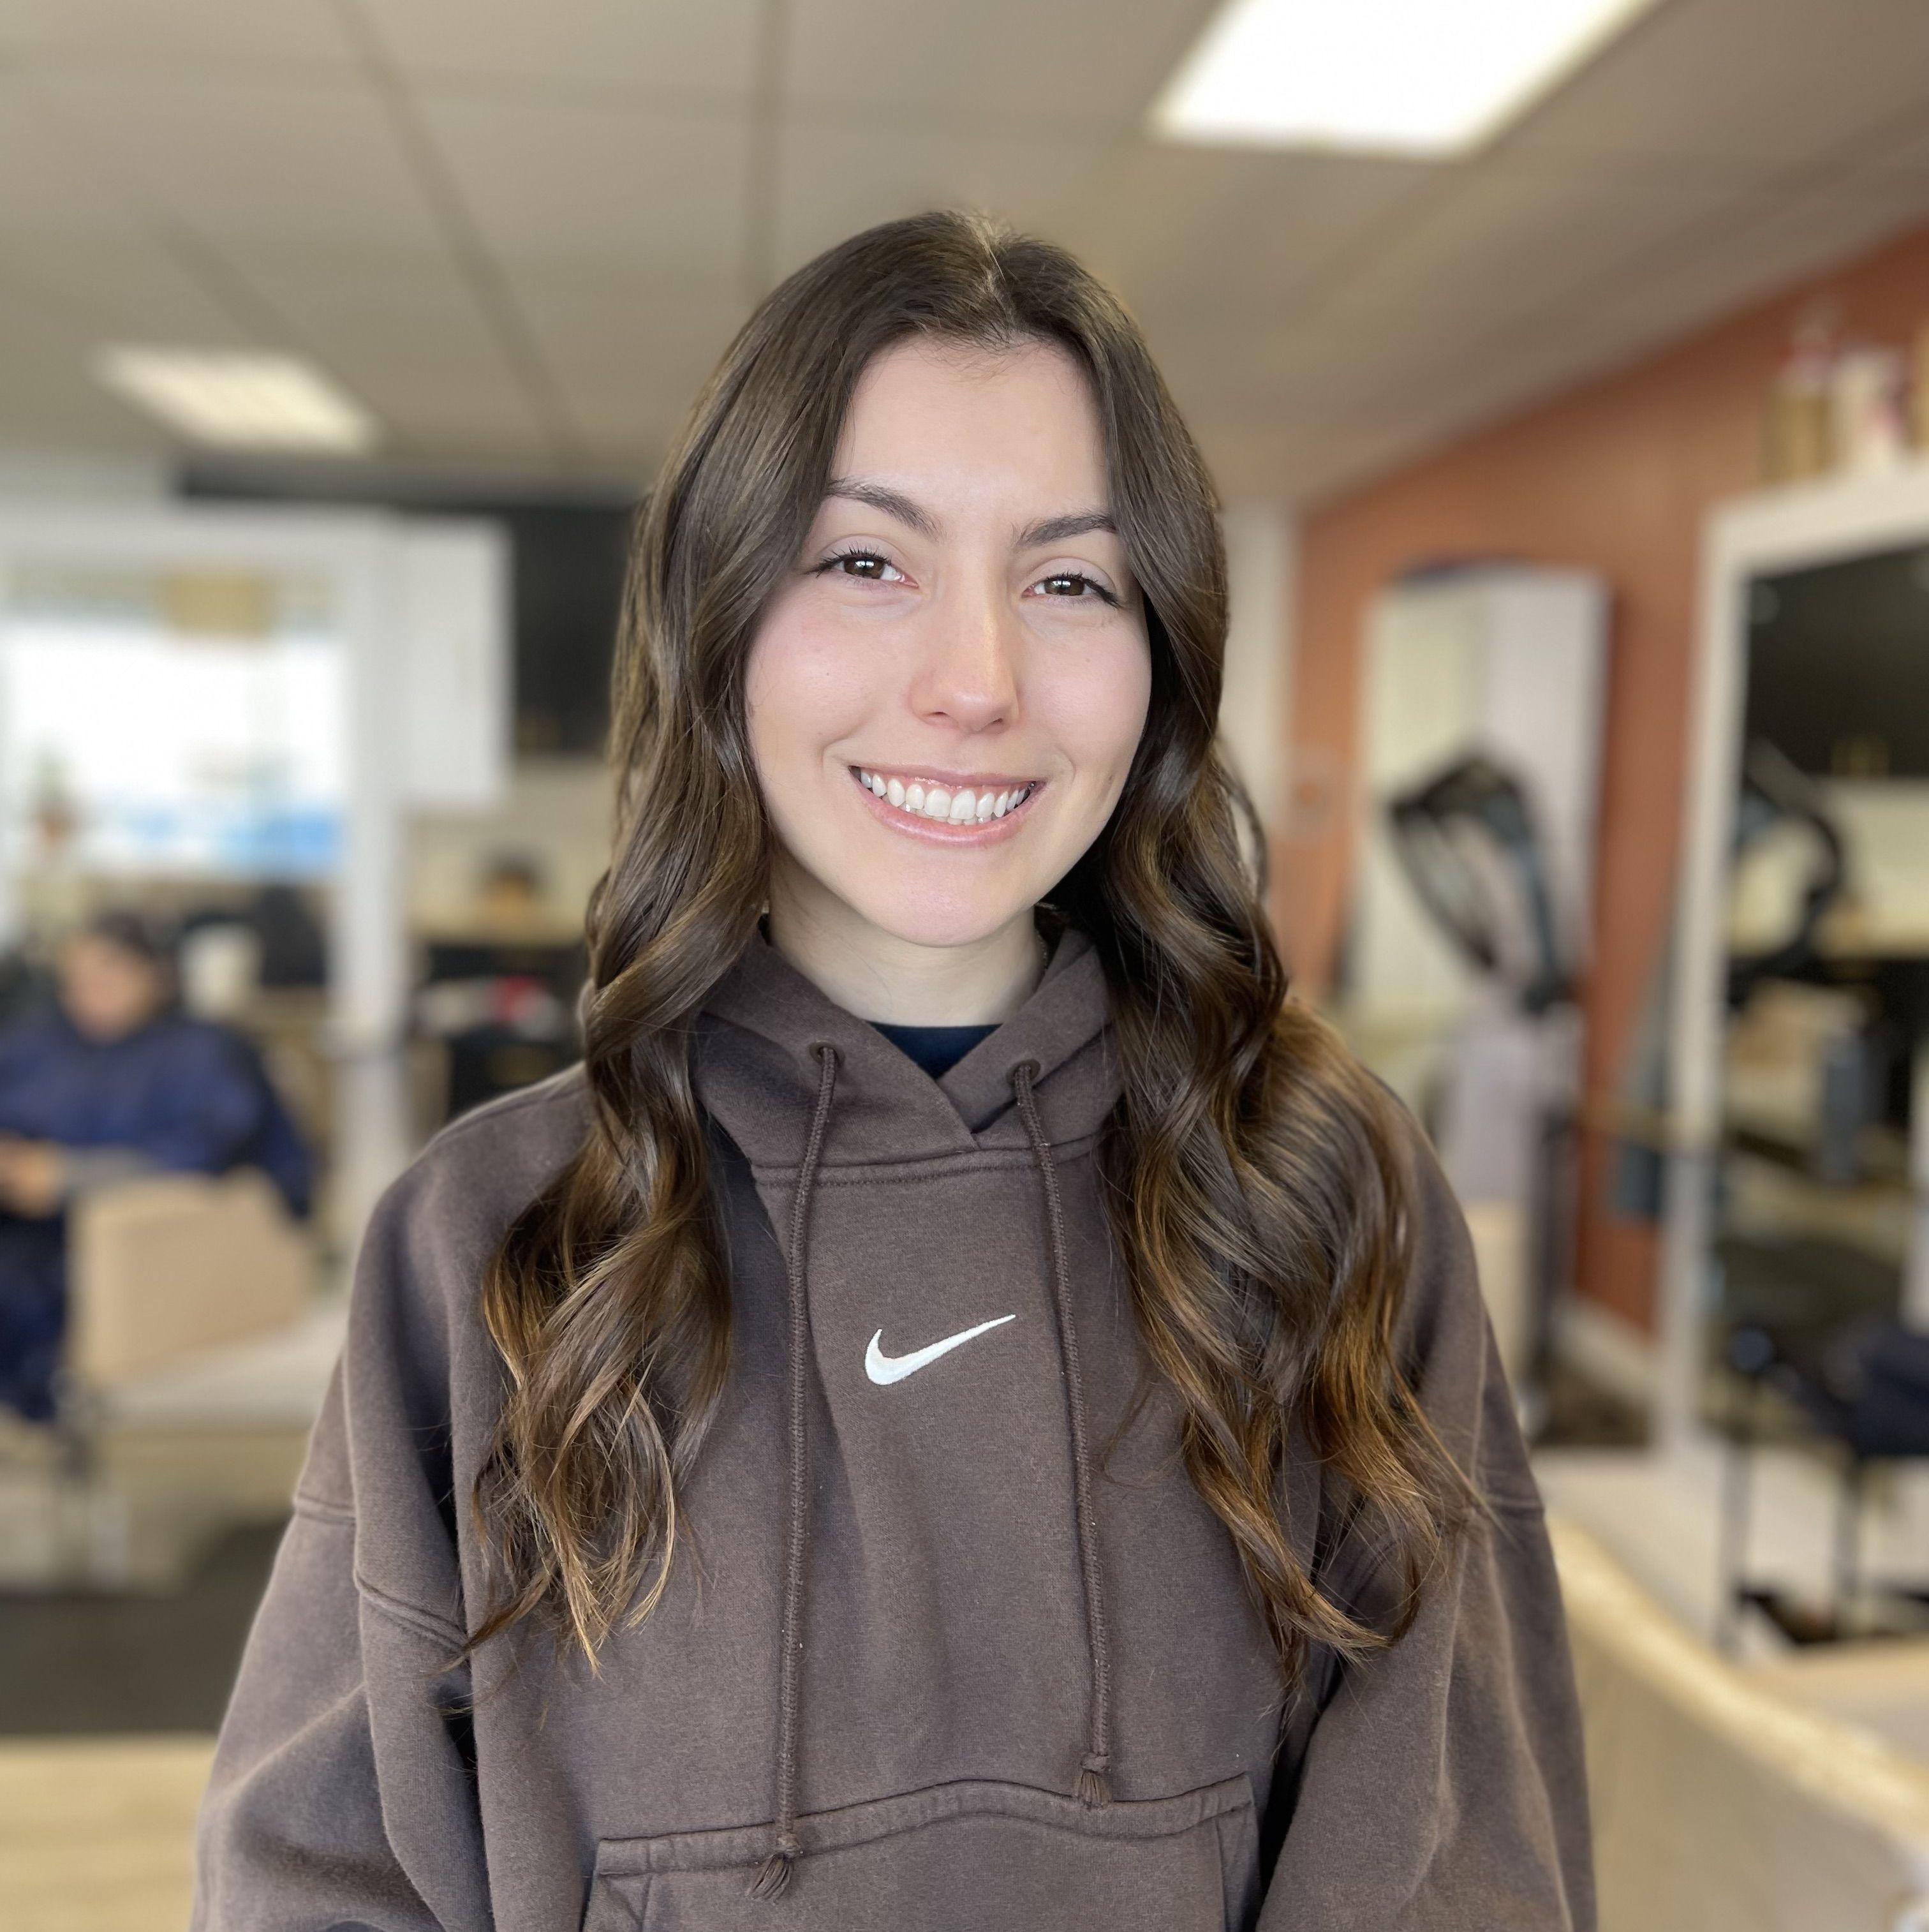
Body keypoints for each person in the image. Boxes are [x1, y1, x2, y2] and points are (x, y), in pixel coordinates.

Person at [191, 211, 1594, 1930]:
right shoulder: (492, 1235)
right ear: (717, 614)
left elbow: (1462, 1858)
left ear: (1159, 659)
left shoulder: (1324, 1190)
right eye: (866, 561)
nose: (977, 682)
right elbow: (320, 1878)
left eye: (1069, 580)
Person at [0, 910, 313, 1423]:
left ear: (158, 975)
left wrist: (67, 1177)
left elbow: (203, 1151)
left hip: (129, 1239)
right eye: (75, 980)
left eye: (108, 975)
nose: (88, 994)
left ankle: (42, 1404)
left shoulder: (205, 1052)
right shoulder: (38, 1044)